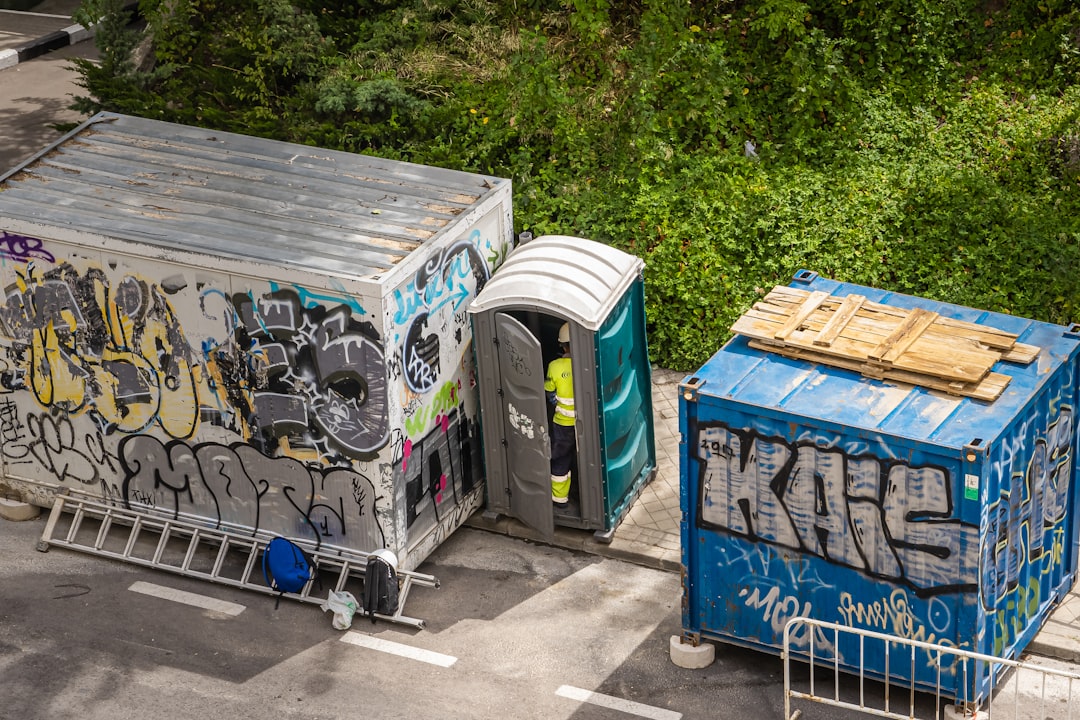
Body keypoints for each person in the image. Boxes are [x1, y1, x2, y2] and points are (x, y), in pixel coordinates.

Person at [545, 322, 576, 505]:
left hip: (562, 424)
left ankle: (559, 499)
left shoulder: (554, 366)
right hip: (585, 423)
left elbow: (549, 391)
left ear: (563, 345)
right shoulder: (588, 362)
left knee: (561, 459)